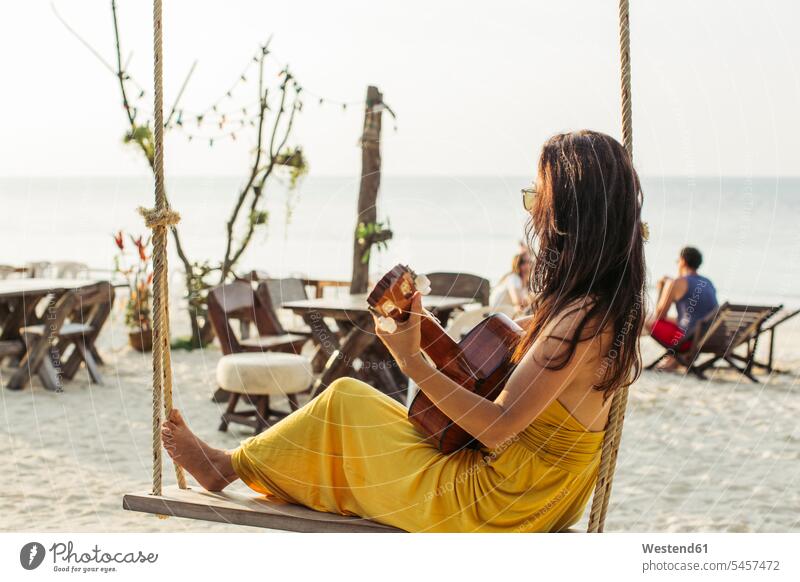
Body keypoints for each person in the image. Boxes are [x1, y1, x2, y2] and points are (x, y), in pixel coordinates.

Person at [161, 130, 647, 532]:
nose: (532, 215)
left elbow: (499, 425)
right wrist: (425, 334)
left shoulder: (577, 323)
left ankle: (225, 468)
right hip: (540, 494)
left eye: (536, 200)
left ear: (569, 215)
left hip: (501, 503)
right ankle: (232, 464)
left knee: (344, 400)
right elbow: (495, 371)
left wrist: (411, 362)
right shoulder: (598, 308)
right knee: (349, 401)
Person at [647, 246, 719, 369]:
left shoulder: (676, 282)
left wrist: (661, 289)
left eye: (678, 261)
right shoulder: (708, 282)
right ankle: (675, 359)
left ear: (683, 261)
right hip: (708, 338)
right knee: (680, 324)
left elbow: (659, 316)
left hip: (688, 342)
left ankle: (677, 357)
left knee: (647, 320)